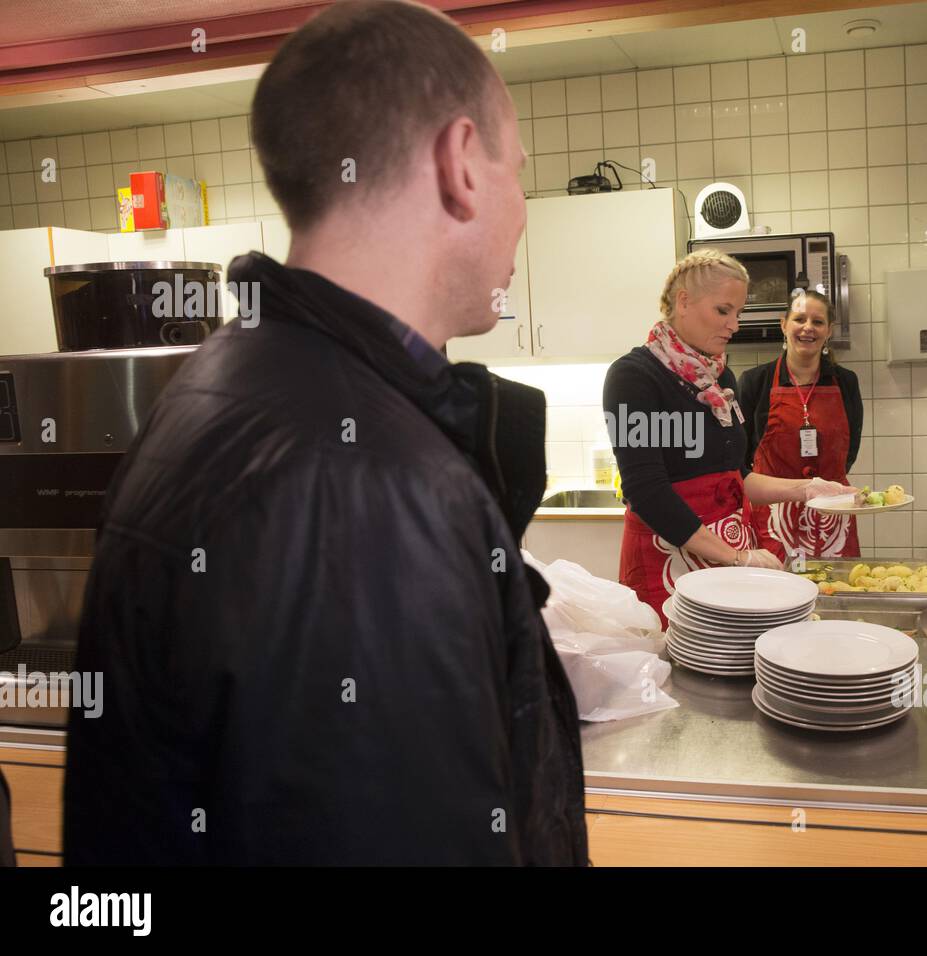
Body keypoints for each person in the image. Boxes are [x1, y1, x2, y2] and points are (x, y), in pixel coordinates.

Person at [63, 0, 587, 865]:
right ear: (460, 163)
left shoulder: (223, 379)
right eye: (517, 172)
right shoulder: (366, 488)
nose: (523, 210)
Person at [603, 250, 854, 626]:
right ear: (683, 301)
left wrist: (805, 489)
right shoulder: (633, 377)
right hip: (668, 556)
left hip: (728, 552)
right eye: (724, 311)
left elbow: (738, 476)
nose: (734, 324)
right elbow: (646, 491)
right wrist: (736, 557)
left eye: (738, 313)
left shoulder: (719, 379)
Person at [738, 289, 863, 561]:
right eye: (799, 319)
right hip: (772, 518)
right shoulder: (754, 381)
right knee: (775, 598)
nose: (808, 328)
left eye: (817, 322)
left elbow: (850, 450)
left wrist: (824, 486)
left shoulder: (846, 382)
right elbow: (741, 459)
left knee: (834, 592)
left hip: (832, 515)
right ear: (784, 325)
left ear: (828, 330)